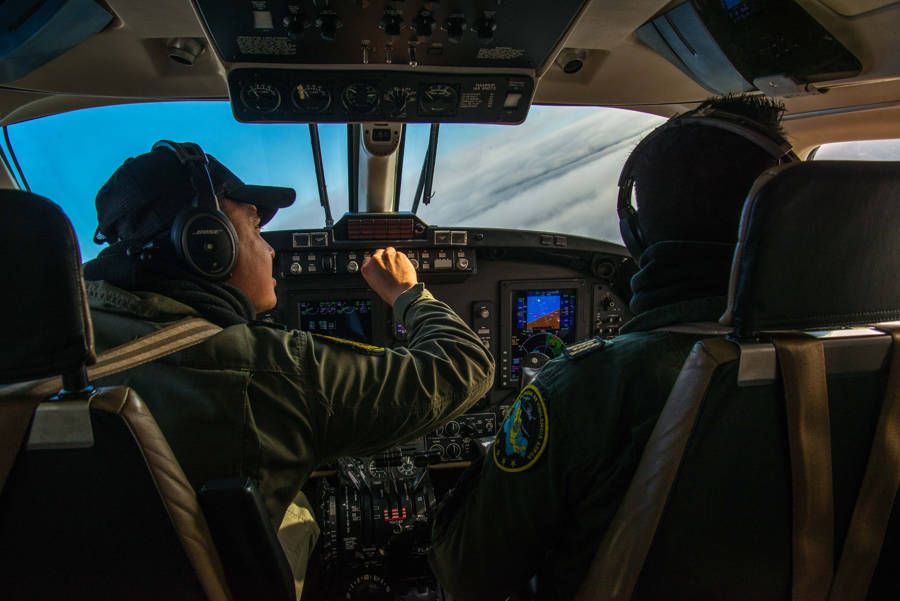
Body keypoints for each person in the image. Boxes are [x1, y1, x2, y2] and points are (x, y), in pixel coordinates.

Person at [427, 95, 796, 600]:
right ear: (789, 219)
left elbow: (466, 573)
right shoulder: (872, 360)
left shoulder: (590, 384)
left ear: (636, 232)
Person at [82, 141, 494, 590]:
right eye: (256, 228)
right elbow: (464, 364)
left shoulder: (44, 346)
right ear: (207, 243)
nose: (271, 250)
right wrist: (408, 295)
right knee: (300, 510)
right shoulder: (272, 370)